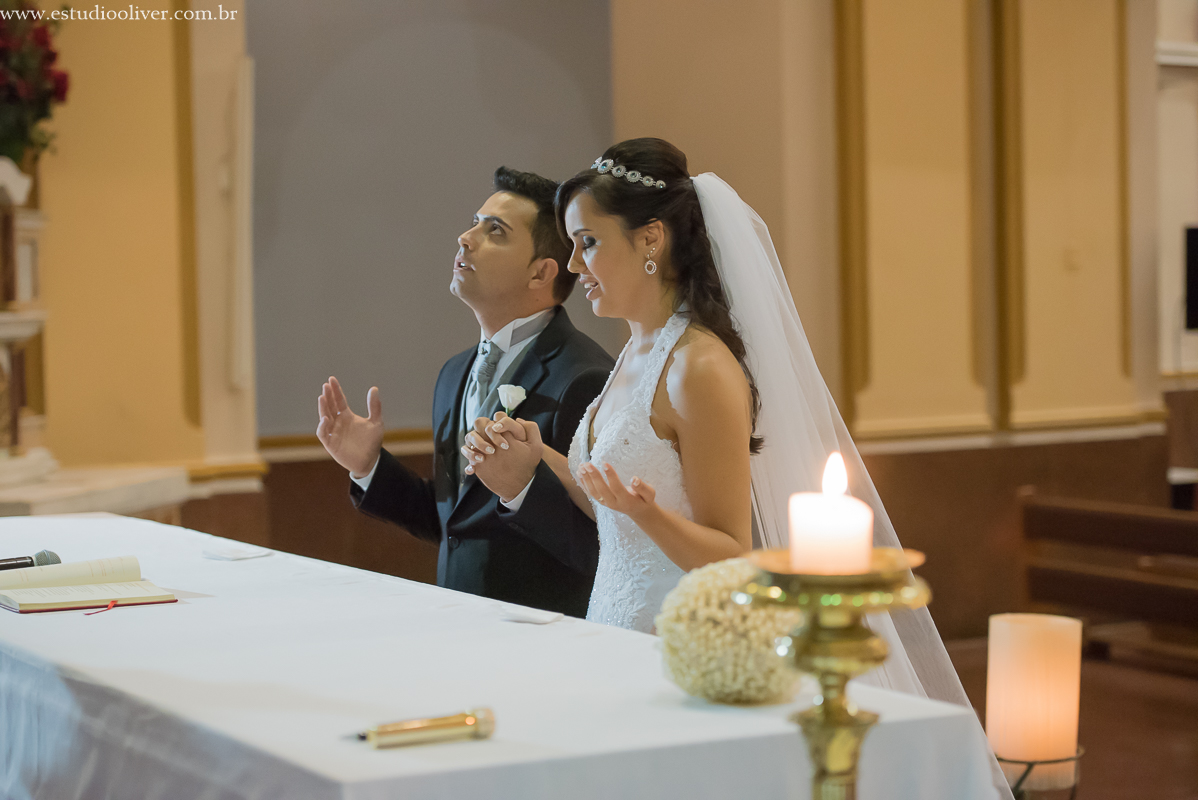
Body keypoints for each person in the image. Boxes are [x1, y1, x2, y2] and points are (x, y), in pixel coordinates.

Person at [471, 138, 1013, 799]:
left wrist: (648, 515)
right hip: (613, 631)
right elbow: (612, 503)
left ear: (650, 240)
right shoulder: (635, 355)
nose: (575, 263)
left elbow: (732, 552)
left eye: (588, 242)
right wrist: (544, 459)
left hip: (686, 648)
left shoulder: (699, 368)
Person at [316, 166, 614, 617]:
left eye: (495, 231)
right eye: (475, 222)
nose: (465, 237)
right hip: (460, 625)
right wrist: (369, 467)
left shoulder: (585, 378)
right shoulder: (454, 373)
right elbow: (453, 521)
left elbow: (606, 548)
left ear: (541, 273)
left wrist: (522, 492)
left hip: (540, 637)